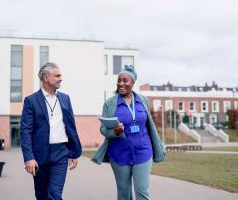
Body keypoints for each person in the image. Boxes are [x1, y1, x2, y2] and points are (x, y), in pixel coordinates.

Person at [92, 65, 165, 200]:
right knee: (124, 192)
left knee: (142, 191)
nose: (121, 83)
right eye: (119, 80)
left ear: (133, 82)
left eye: (125, 80)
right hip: (120, 153)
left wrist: (159, 144)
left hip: (143, 151)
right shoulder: (110, 104)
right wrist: (115, 131)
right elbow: (103, 129)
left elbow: (150, 125)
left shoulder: (142, 100)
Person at [20, 62, 82, 200]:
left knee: (54, 194)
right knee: (41, 195)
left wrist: (73, 151)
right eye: (57, 76)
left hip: (61, 153)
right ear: (46, 77)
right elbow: (25, 131)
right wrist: (29, 158)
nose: (61, 78)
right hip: (39, 155)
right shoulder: (31, 101)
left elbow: (71, 126)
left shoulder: (65, 98)